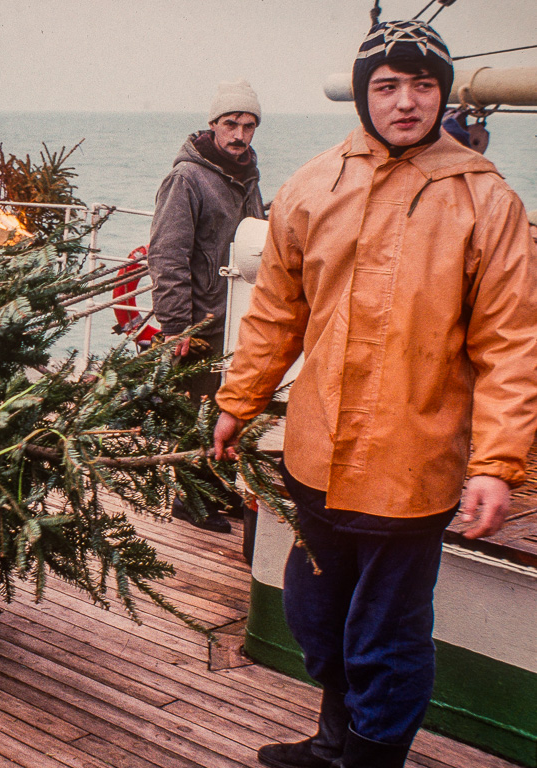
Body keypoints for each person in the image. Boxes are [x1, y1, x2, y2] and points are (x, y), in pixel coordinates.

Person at [213, 21, 537, 768]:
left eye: (423, 85)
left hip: (410, 465)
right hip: (315, 455)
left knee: (386, 633)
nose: (406, 101)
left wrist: (496, 463)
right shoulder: (313, 184)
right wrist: (240, 398)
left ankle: (370, 757)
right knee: (315, 615)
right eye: (387, 85)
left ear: (443, 94)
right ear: (364, 94)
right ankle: (335, 740)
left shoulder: (487, 203)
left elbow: (513, 345)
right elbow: (276, 312)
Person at [148, 79, 265, 533]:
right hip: (197, 319)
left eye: (249, 125)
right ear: (213, 125)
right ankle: (190, 499)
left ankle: (218, 491)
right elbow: (167, 252)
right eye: (232, 123)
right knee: (195, 407)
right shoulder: (187, 177)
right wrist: (178, 324)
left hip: (234, 312)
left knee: (225, 406)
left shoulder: (245, 174)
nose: (240, 134)